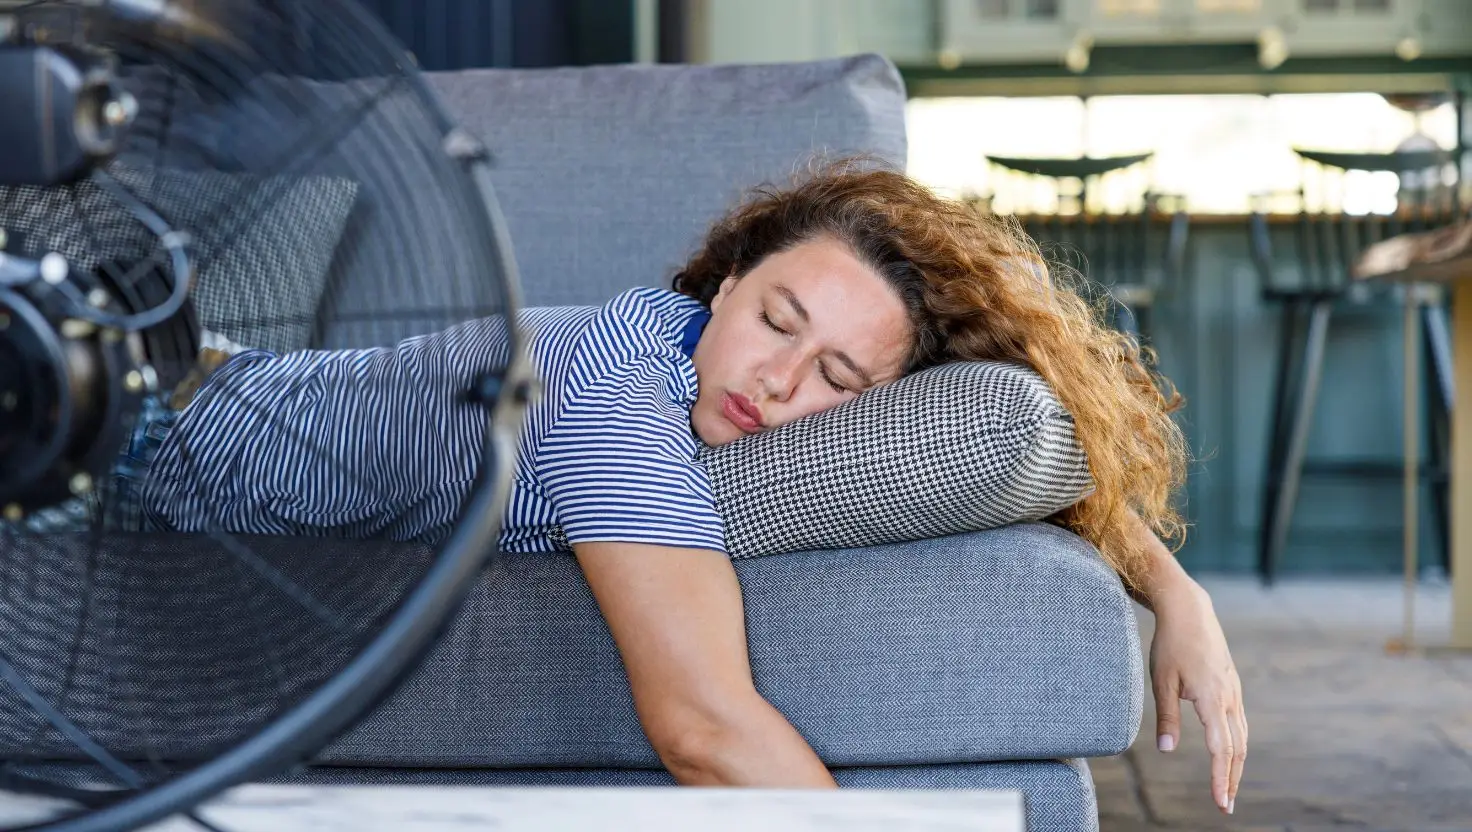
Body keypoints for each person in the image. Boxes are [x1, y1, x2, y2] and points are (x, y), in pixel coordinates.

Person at [139, 160, 1246, 815]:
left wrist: (1171, 588)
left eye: (837, 378)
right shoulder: (615, 398)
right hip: (150, 430)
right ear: (720, 286)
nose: (776, 382)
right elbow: (705, 730)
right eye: (775, 320)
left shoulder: (693, 391)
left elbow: (996, 437)